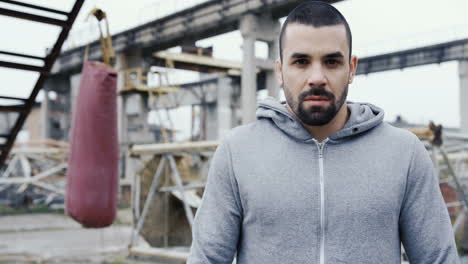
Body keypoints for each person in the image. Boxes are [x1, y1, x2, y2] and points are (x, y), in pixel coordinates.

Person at [187, 1, 460, 263]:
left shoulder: (405, 153)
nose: (316, 77)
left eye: (331, 62)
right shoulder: (238, 152)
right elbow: (206, 259)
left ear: (351, 68)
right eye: (301, 62)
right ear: (280, 71)